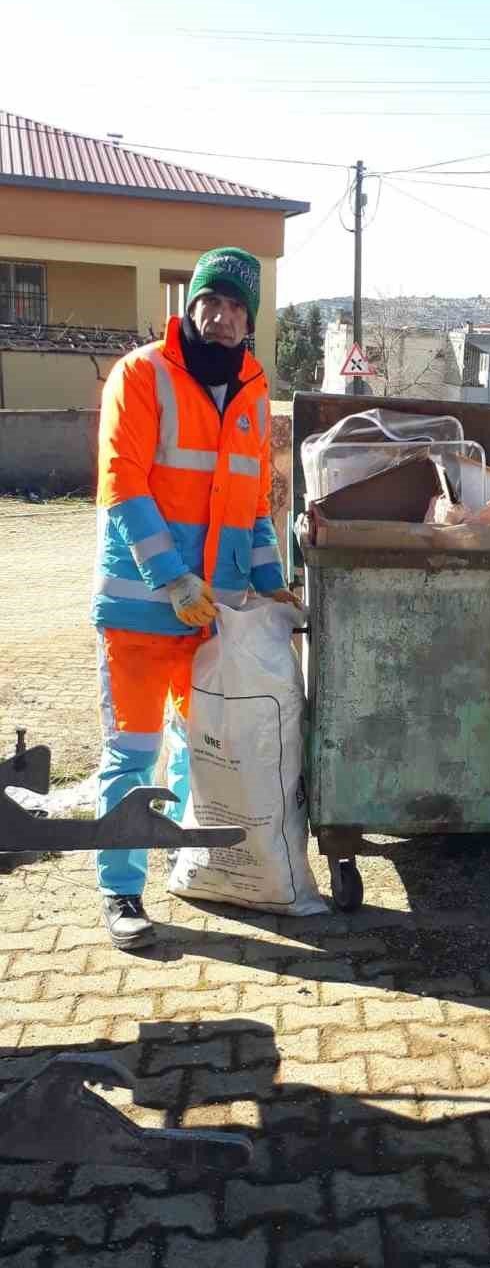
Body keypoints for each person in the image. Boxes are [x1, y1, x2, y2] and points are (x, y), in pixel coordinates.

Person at [92, 246, 297, 950]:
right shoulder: (143, 374)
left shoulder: (252, 392)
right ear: (191, 305)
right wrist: (172, 578)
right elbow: (123, 481)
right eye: (211, 301)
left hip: (215, 621)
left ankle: (187, 858)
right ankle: (121, 891)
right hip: (145, 611)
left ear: (251, 322)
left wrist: (272, 588)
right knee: (132, 754)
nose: (222, 317)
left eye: (238, 307)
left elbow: (253, 507)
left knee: (193, 751)